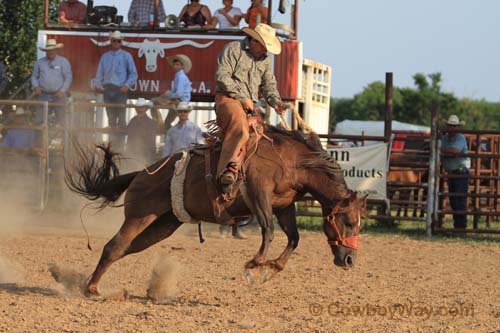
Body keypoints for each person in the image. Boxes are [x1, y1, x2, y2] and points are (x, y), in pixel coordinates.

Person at [215, 23, 286, 195]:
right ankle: (228, 170)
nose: (266, 51)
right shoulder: (233, 49)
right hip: (228, 99)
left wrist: (276, 102)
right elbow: (222, 76)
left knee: (264, 138)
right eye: (265, 46)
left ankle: (255, 182)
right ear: (255, 42)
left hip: (248, 106)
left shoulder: (265, 61)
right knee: (241, 129)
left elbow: (269, 85)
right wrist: (243, 98)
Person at [94, 31, 138, 149]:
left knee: (122, 119)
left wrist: (126, 85)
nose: (116, 43)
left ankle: (120, 147)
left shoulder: (126, 56)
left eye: (118, 41)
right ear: (111, 41)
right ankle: (112, 146)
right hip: (108, 89)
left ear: (121, 42)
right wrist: (99, 85)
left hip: (120, 90)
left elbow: (133, 74)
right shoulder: (105, 56)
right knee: (111, 119)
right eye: (114, 40)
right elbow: (99, 74)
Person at [31, 39, 72, 125]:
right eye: (48, 50)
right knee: (39, 121)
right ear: (46, 51)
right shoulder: (39, 62)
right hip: (43, 94)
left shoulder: (63, 61)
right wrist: (36, 86)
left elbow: (68, 77)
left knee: (62, 121)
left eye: (52, 50)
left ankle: (64, 138)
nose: (50, 52)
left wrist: (62, 90)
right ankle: (39, 138)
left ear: (56, 50)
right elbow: (34, 76)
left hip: (59, 95)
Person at [441, 115, 471, 229]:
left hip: (460, 171)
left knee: (459, 198)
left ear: (457, 127)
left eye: (454, 126)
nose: (452, 128)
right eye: (450, 126)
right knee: (454, 199)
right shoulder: (445, 139)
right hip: (452, 171)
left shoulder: (460, 138)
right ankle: (458, 225)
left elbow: (455, 151)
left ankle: (461, 226)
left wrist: (441, 150)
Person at [153, 54, 192, 131]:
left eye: (177, 65)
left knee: (153, 101)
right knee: (167, 122)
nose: (175, 66)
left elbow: (179, 94)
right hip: (180, 100)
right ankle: (167, 130)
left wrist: (167, 94)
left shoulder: (180, 77)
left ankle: (158, 123)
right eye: (174, 64)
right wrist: (167, 94)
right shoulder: (179, 75)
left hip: (179, 101)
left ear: (182, 66)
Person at [126, 98, 161, 166]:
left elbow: (151, 142)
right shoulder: (132, 121)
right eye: (138, 108)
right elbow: (129, 139)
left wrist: (151, 157)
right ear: (136, 109)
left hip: (145, 155)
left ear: (146, 109)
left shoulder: (150, 123)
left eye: (142, 107)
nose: (139, 110)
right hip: (133, 154)